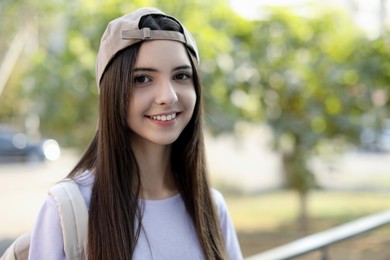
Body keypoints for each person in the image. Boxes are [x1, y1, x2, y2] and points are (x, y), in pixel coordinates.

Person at [28, 7, 243, 260]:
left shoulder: (212, 209)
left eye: (181, 76)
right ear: (111, 92)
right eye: (142, 79)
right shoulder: (67, 210)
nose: (168, 96)